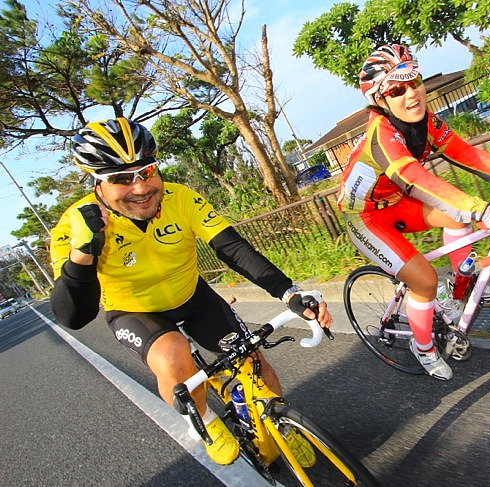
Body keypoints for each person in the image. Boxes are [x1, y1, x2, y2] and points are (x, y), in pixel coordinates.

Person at [50, 117, 334, 465]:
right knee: (173, 358)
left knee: (253, 361)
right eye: (122, 179)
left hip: (193, 295)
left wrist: (289, 292)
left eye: (147, 171)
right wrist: (83, 253)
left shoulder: (179, 197)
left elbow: (233, 249)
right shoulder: (73, 224)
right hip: (135, 310)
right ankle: (208, 421)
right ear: (98, 185)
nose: (140, 189)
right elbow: (74, 316)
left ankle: (282, 427)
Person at [336, 44, 490, 381]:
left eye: (415, 82)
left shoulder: (427, 122)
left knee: (458, 218)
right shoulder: (381, 136)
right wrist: (486, 211)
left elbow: (468, 155)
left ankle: (456, 296)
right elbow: (417, 180)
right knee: (424, 282)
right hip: (366, 218)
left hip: (397, 203)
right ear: (381, 101)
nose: (412, 95)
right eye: (398, 89)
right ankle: (422, 349)